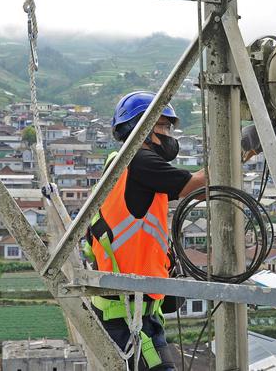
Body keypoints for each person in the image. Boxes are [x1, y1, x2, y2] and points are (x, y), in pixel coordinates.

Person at [85, 91, 206, 370]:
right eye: (163, 126)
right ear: (141, 127)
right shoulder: (138, 161)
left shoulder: (125, 167)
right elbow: (197, 186)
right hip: (127, 318)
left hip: (136, 312)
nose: (169, 134)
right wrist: (240, 150)